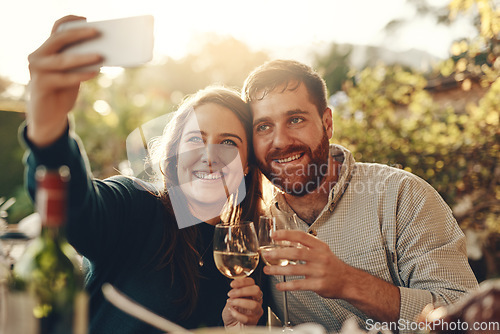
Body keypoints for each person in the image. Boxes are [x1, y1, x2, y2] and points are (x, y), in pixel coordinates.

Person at [22, 15, 264, 333]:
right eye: (195, 139)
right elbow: (73, 208)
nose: (209, 157)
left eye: (228, 143)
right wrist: (49, 127)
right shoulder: (135, 207)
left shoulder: (245, 253)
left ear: (246, 164)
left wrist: (234, 328)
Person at [242, 59, 479, 333]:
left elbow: (468, 318)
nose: (281, 141)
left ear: (327, 123)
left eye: (295, 119)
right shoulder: (258, 223)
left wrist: (349, 282)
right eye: (263, 127)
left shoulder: (403, 196)